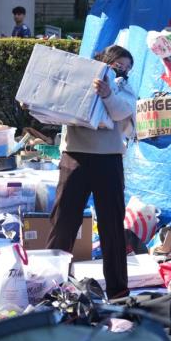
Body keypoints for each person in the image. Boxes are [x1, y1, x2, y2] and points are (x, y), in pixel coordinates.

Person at [47, 44, 136, 300]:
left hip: (108, 160)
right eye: (119, 64)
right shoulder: (81, 75)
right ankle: (52, 284)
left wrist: (108, 94)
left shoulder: (123, 87)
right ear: (105, 60)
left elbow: (122, 111)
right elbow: (54, 101)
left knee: (112, 225)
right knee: (64, 220)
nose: (122, 70)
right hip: (74, 156)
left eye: (126, 68)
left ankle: (118, 289)